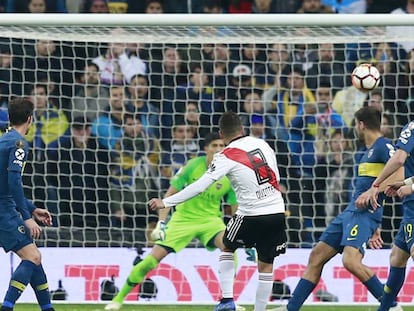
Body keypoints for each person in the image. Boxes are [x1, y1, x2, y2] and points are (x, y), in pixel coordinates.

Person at [148, 111, 287, 311]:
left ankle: (227, 301)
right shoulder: (263, 144)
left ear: (221, 134)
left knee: (228, 246)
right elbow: (275, 175)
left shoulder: (225, 156)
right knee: (266, 265)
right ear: (243, 129)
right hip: (276, 211)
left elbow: (199, 186)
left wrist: (166, 202)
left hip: (251, 214)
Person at [270, 106, 402, 311]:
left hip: (364, 214)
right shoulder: (366, 152)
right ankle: (291, 308)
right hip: (351, 213)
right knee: (317, 255)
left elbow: (400, 175)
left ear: (360, 125)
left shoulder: (384, 146)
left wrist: (373, 193)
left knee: (350, 261)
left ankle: (391, 305)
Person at [104, 132, 239, 310]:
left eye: (222, 146)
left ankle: (227, 301)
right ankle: (118, 299)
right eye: (214, 146)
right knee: (151, 262)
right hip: (183, 219)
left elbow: (235, 208)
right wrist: (161, 223)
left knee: (230, 248)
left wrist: (241, 233)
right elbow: (169, 196)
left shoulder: (229, 174)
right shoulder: (192, 166)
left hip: (210, 221)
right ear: (206, 148)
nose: (219, 149)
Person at [0, 97, 55, 311]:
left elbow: (4, 185)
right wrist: (27, 217)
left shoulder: (4, 141)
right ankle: (7, 307)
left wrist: (33, 209)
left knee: (35, 258)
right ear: (30, 119)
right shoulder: (19, 143)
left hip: (4, 205)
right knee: (32, 256)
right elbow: (14, 182)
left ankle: (47, 308)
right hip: (4, 210)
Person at [355, 113, 414, 311]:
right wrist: (405, 183)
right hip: (409, 209)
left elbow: (398, 159)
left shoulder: (412, 127)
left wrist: (377, 184)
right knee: (397, 257)